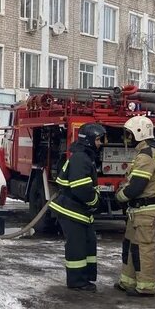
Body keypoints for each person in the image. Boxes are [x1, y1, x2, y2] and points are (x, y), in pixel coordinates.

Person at [48, 123, 105, 292]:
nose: (100, 143)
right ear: (89, 141)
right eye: (98, 140)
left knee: (87, 243)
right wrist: (95, 202)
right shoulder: (81, 158)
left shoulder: (83, 157)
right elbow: (81, 187)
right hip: (71, 210)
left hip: (78, 210)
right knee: (77, 247)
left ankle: (85, 277)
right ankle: (77, 281)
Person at [116, 115, 155, 298]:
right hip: (137, 211)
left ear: (139, 133)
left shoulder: (146, 156)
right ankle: (128, 281)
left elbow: (136, 186)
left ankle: (145, 287)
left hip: (145, 210)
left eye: (129, 134)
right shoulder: (146, 153)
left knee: (144, 248)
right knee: (130, 245)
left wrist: (119, 197)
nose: (127, 138)